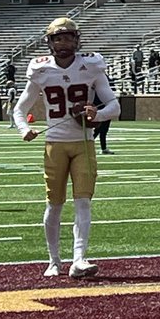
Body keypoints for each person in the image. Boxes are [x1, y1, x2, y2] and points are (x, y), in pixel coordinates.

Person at [13, 17, 120, 278]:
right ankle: (54, 260)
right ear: (50, 42)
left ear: (77, 40)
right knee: (54, 204)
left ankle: (79, 259)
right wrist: (24, 130)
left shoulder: (91, 65)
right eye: (58, 38)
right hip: (55, 144)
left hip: (83, 142)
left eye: (68, 37)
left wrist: (97, 114)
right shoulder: (41, 69)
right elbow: (20, 108)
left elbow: (114, 106)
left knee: (83, 202)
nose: (64, 42)